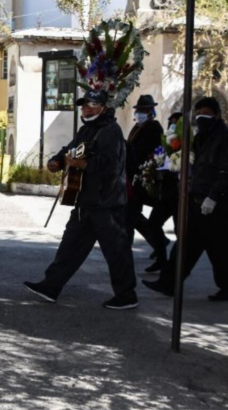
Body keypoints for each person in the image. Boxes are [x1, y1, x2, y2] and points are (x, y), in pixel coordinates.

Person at [23, 89, 139, 310]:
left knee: (116, 251)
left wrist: (84, 165)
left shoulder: (111, 131)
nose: (86, 108)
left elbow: (111, 166)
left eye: (91, 104)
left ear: (103, 107)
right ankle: (50, 286)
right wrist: (57, 161)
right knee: (70, 246)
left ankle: (126, 296)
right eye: (84, 105)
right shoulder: (87, 129)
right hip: (86, 201)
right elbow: (72, 149)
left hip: (107, 204)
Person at [143, 97, 228, 301]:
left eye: (206, 113)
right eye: (198, 113)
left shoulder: (227, 138)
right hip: (196, 200)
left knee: (220, 248)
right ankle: (168, 283)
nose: (201, 117)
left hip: (217, 205)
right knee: (186, 245)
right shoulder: (201, 136)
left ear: (216, 114)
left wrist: (214, 197)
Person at [142, 112, 184, 273]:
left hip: (180, 195)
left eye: (176, 124)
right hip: (166, 193)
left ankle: (176, 268)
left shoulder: (188, 146)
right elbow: (157, 162)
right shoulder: (165, 144)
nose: (172, 126)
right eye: (170, 123)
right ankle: (161, 259)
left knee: (180, 230)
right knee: (153, 224)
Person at [126, 95, 165, 251]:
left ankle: (156, 242)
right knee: (132, 214)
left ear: (150, 111)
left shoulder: (154, 127)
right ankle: (158, 242)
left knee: (131, 214)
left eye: (144, 110)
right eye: (139, 110)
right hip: (132, 174)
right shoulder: (137, 127)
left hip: (143, 175)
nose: (140, 113)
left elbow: (150, 151)